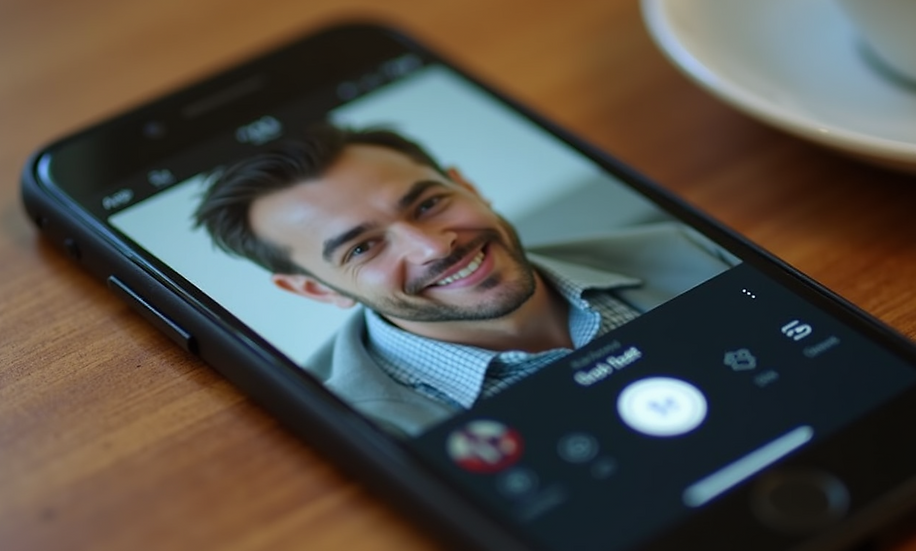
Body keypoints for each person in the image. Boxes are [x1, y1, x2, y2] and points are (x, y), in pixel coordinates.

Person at [195, 124, 738, 436]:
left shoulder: (686, 248)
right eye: (363, 247)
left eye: (430, 203)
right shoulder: (334, 432)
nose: (434, 246)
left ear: (466, 185)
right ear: (316, 289)